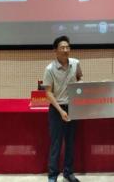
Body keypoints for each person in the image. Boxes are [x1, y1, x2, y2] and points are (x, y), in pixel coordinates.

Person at [42, 35, 82, 182]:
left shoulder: (76, 63)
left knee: (70, 143)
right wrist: (60, 110)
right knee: (56, 144)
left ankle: (68, 173)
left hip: (73, 108)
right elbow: (48, 93)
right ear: (55, 50)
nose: (66, 50)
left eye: (67, 47)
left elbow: (80, 78)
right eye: (62, 47)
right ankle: (53, 175)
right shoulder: (49, 69)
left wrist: (80, 86)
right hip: (56, 109)